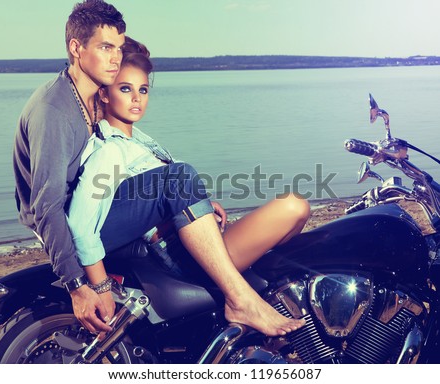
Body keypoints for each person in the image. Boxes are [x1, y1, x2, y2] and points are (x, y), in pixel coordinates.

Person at [67, 36, 310, 336]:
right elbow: (79, 224)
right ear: (104, 95)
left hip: (197, 243)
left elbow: (166, 194)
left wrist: (200, 206)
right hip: (179, 257)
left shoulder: (140, 142)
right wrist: (99, 284)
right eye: (125, 89)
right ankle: (239, 300)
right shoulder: (110, 150)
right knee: (292, 206)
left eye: (142, 90)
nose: (136, 99)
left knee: (297, 208)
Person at [13, 0, 125, 334]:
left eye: (119, 48)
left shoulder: (91, 95)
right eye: (105, 47)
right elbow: (45, 207)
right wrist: (77, 286)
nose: (116, 58)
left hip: (85, 206)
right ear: (77, 48)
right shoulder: (55, 112)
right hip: (63, 219)